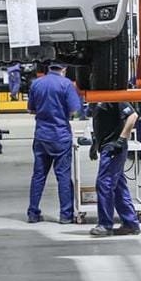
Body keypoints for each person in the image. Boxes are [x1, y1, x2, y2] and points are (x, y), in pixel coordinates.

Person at [26, 61, 83, 223]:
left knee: (38, 176)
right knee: (63, 176)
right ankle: (65, 215)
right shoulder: (66, 84)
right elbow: (75, 110)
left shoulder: (36, 84)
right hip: (60, 136)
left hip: (41, 136)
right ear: (64, 68)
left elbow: (30, 109)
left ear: (48, 68)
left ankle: (33, 213)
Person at [88, 102, 141, 237]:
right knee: (118, 186)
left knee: (104, 184)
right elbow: (100, 122)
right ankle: (130, 224)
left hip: (113, 147)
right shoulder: (95, 99)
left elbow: (133, 116)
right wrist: (95, 143)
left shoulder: (114, 97)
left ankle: (105, 225)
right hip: (106, 146)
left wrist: (122, 139)